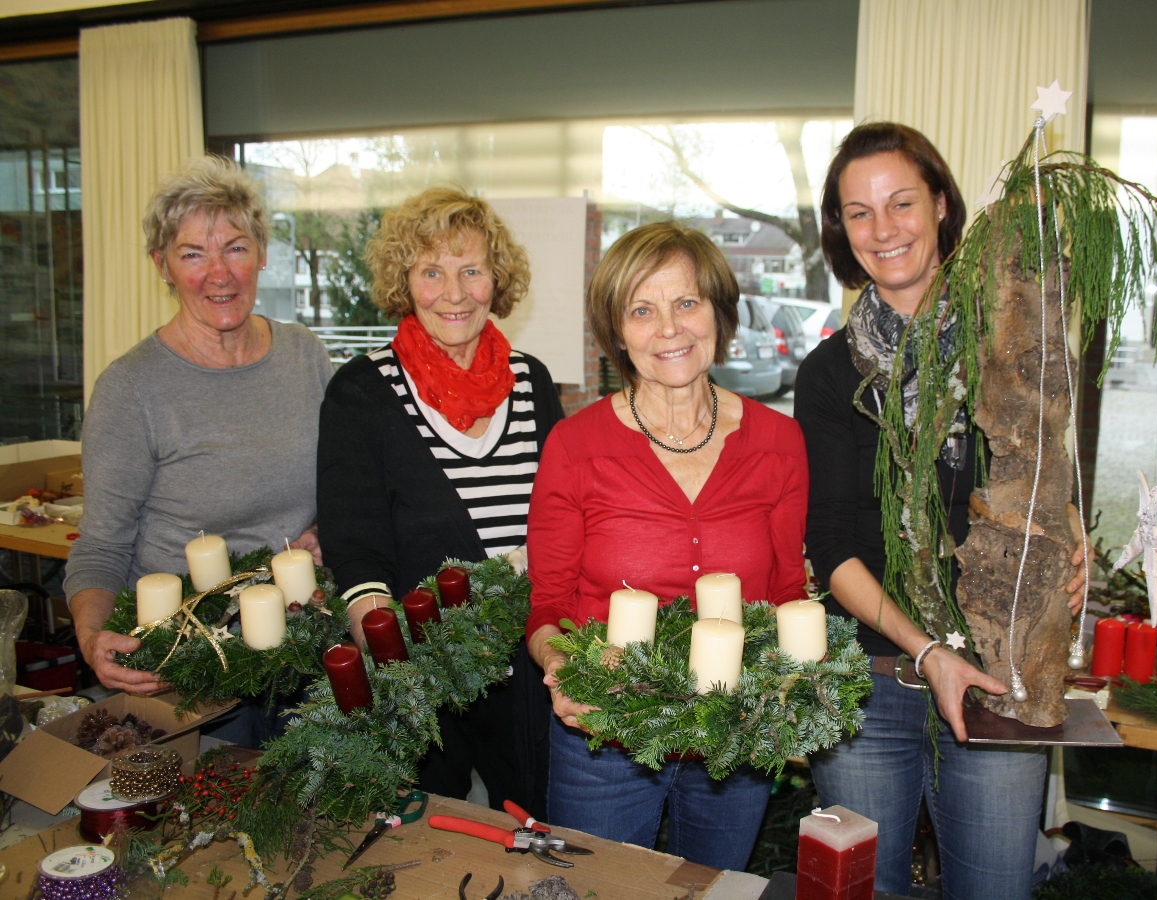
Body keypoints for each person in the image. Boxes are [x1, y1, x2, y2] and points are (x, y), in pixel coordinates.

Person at [795, 123, 1088, 899]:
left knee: (994, 888)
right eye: (859, 212)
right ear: (841, 229)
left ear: (942, 205)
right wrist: (926, 651)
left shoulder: (1010, 348)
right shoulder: (829, 374)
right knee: (866, 890)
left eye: (901, 203)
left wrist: (1069, 539)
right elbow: (829, 545)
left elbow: (1044, 471)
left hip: (998, 678)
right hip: (868, 681)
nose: (883, 229)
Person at [525, 221, 809, 870]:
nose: (670, 328)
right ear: (617, 332)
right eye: (642, 310)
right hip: (606, 733)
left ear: (719, 314)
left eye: (686, 302)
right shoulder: (576, 447)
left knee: (709, 890)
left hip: (735, 735)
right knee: (599, 888)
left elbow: (788, 592)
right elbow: (549, 605)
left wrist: (796, 687)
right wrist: (561, 665)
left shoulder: (778, 442)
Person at [66, 156, 332, 743]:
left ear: (262, 253)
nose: (220, 274)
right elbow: (101, 544)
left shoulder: (304, 355)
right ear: (161, 265)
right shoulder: (131, 388)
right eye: (192, 255)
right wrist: (92, 637)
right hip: (188, 667)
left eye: (235, 248)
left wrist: (324, 530)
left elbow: (344, 485)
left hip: (302, 649)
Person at [317, 187, 563, 816]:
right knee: (425, 835)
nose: (453, 293)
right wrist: (392, 667)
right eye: (431, 272)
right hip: (420, 669)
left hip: (529, 665)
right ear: (404, 282)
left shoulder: (532, 381)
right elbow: (355, 548)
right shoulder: (361, 391)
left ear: (496, 279)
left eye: (471, 270)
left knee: (535, 823)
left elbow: (563, 522)